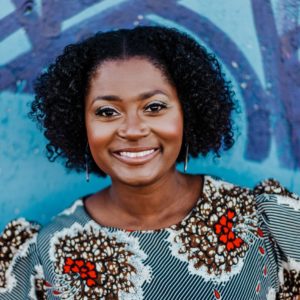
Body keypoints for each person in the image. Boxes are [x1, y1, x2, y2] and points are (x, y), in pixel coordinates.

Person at [0, 26, 299, 300]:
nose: (132, 129)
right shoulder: (43, 256)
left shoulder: (264, 223)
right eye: (107, 112)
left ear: (187, 112)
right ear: (81, 124)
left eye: (154, 107)